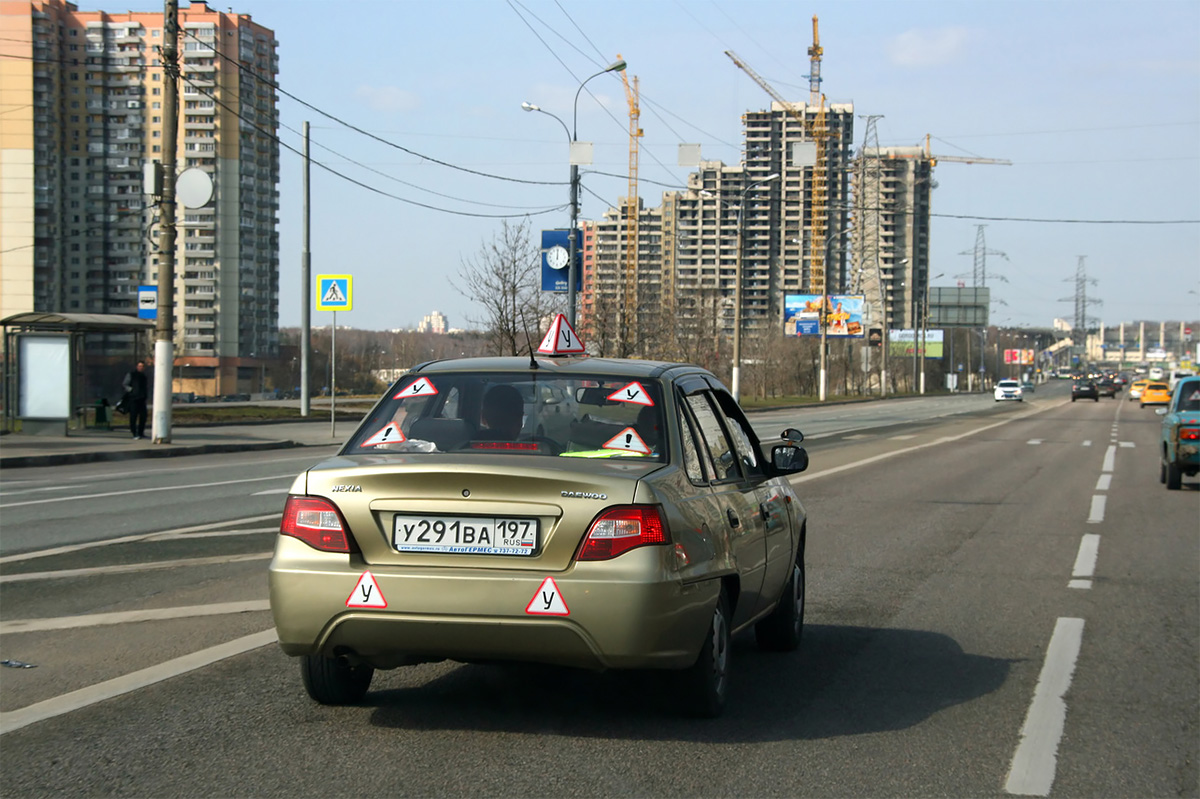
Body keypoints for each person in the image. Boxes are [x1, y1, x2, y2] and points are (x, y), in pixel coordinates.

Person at [122, 361, 149, 439]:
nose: (141, 368)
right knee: (133, 416)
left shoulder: (144, 376)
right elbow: (125, 384)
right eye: (139, 366)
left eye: (142, 366)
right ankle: (134, 433)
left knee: (143, 416)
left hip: (142, 399)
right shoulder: (131, 375)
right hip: (133, 399)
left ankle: (141, 432)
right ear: (137, 366)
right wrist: (131, 390)